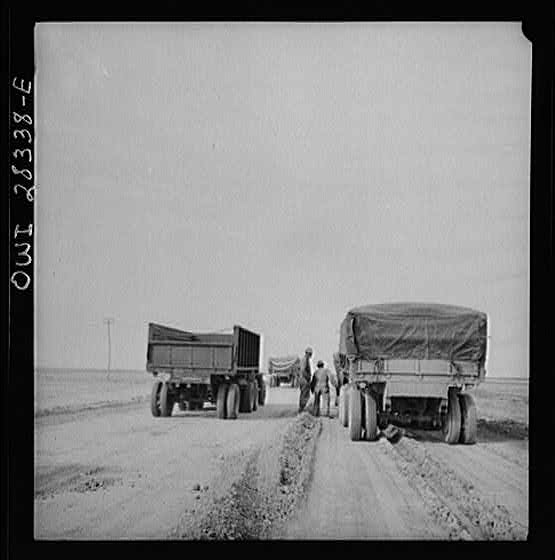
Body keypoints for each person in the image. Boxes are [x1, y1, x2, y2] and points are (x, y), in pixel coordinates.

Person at [298, 347, 313, 413]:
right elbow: (303, 370)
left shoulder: (306, 360)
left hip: (304, 379)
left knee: (304, 394)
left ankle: (302, 409)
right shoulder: (304, 360)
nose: (311, 356)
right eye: (310, 354)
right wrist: (307, 378)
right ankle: (302, 409)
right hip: (304, 380)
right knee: (304, 395)